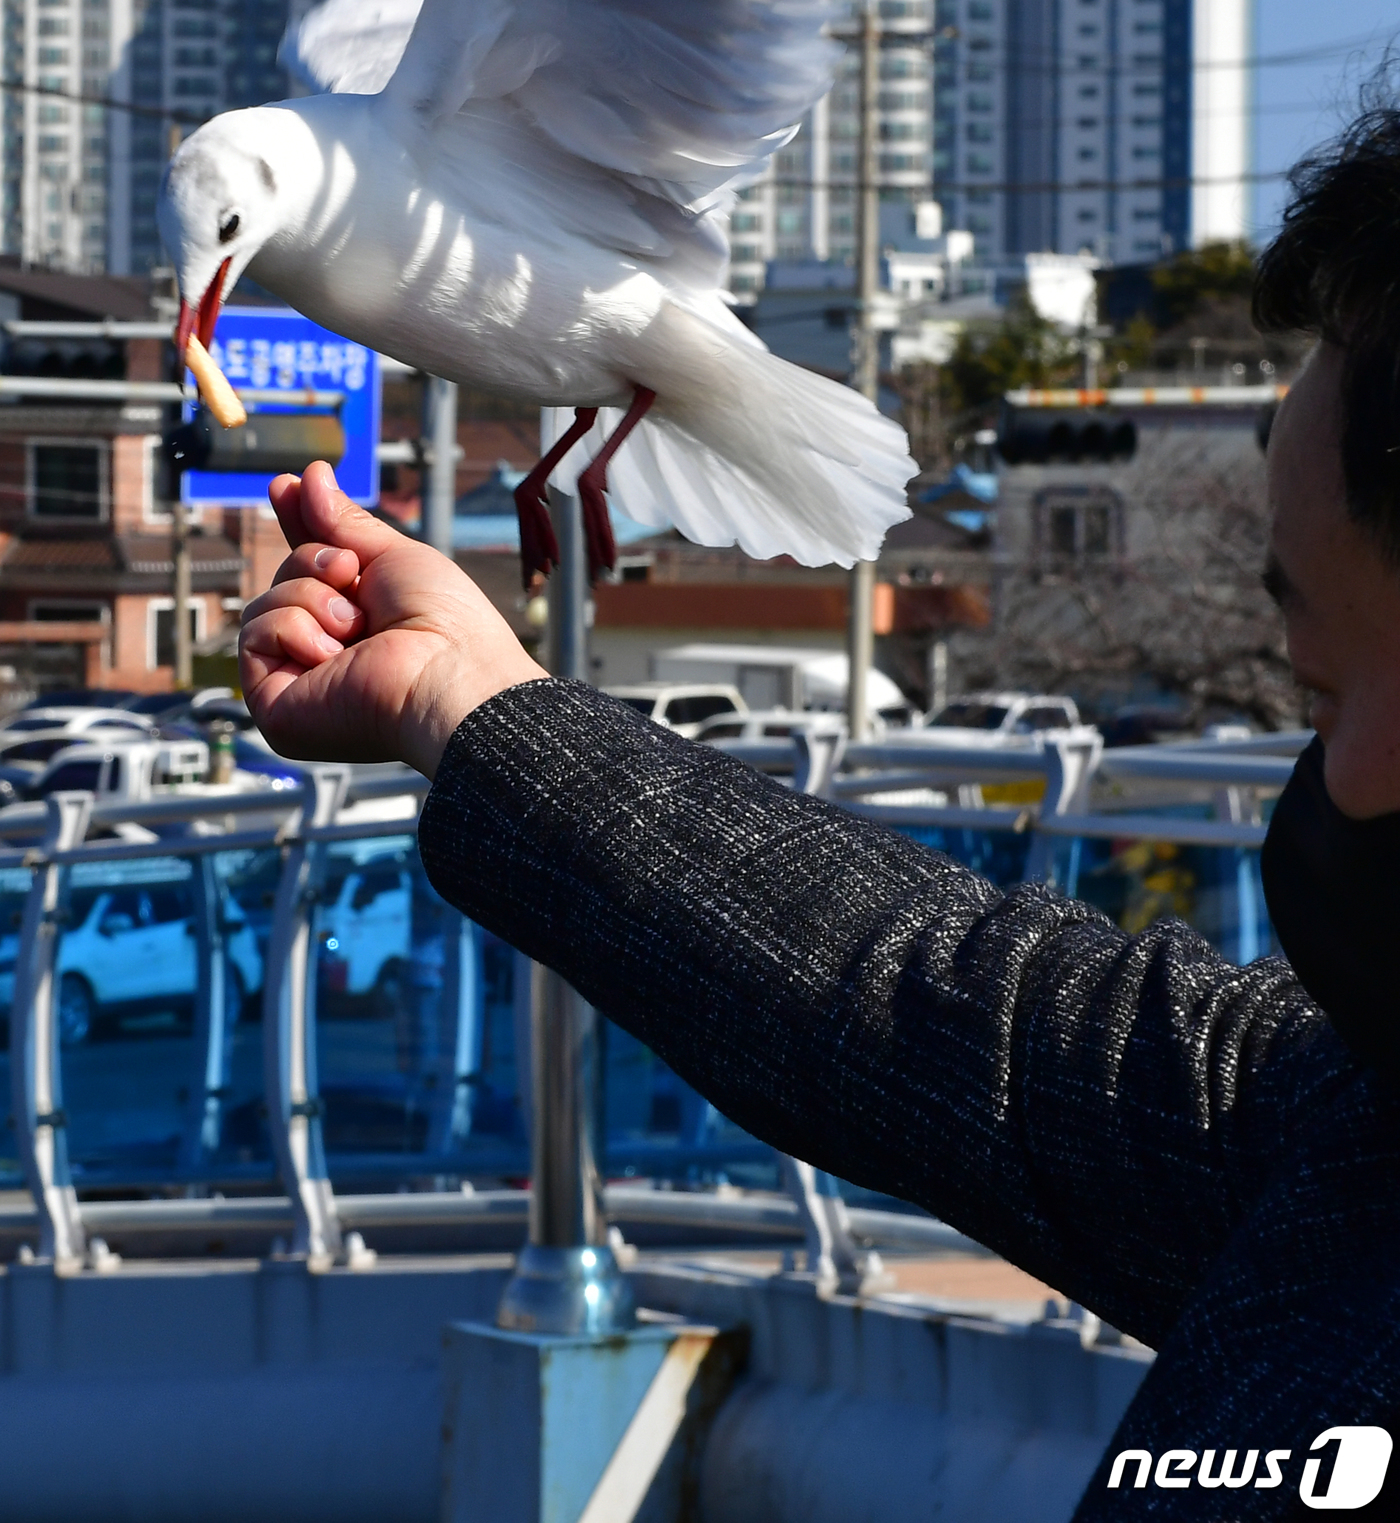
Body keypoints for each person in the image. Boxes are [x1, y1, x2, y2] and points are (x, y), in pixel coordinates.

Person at [238, 113, 1400, 1521]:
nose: (1326, 778)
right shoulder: (1349, 1149)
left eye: (1321, 693)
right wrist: (477, 710)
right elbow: (950, 1014)